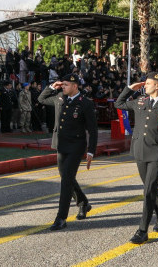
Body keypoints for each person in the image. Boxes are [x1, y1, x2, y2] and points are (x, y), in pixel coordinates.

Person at [115, 72, 158, 244]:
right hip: (140, 150)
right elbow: (119, 103)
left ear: (157, 85)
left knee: (148, 189)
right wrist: (130, 89)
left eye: (149, 83)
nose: (145, 85)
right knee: (150, 188)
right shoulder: (140, 101)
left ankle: (142, 230)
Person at [38, 73, 98, 230]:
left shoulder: (85, 103)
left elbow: (93, 130)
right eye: (62, 84)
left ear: (75, 86)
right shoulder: (59, 98)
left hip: (76, 146)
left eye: (66, 85)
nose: (62, 87)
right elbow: (41, 99)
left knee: (66, 181)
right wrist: (52, 87)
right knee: (67, 177)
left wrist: (91, 151)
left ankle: (61, 218)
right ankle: (83, 203)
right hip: (60, 144)